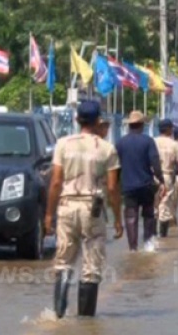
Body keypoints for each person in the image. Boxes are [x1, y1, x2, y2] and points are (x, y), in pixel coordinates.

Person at [45, 100, 123, 319]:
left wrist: (49, 215)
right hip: (93, 208)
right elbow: (112, 187)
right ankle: (86, 323)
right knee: (91, 266)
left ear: (77, 120)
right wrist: (117, 219)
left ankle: (58, 316)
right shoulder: (107, 149)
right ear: (99, 121)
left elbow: (56, 182)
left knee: (63, 261)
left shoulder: (63, 144)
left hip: (67, 205)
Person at [116, 110, 166, 252]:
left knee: (131, 216)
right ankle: (148, 245)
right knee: (148, 215)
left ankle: (133, 248)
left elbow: (116, 166)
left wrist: (118, 185)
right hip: (146, 185)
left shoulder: (120, 143)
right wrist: (162, 180)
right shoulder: (148, 141)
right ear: (142, 125)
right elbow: (155, 163)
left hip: (128, 186)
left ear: (130, 125)